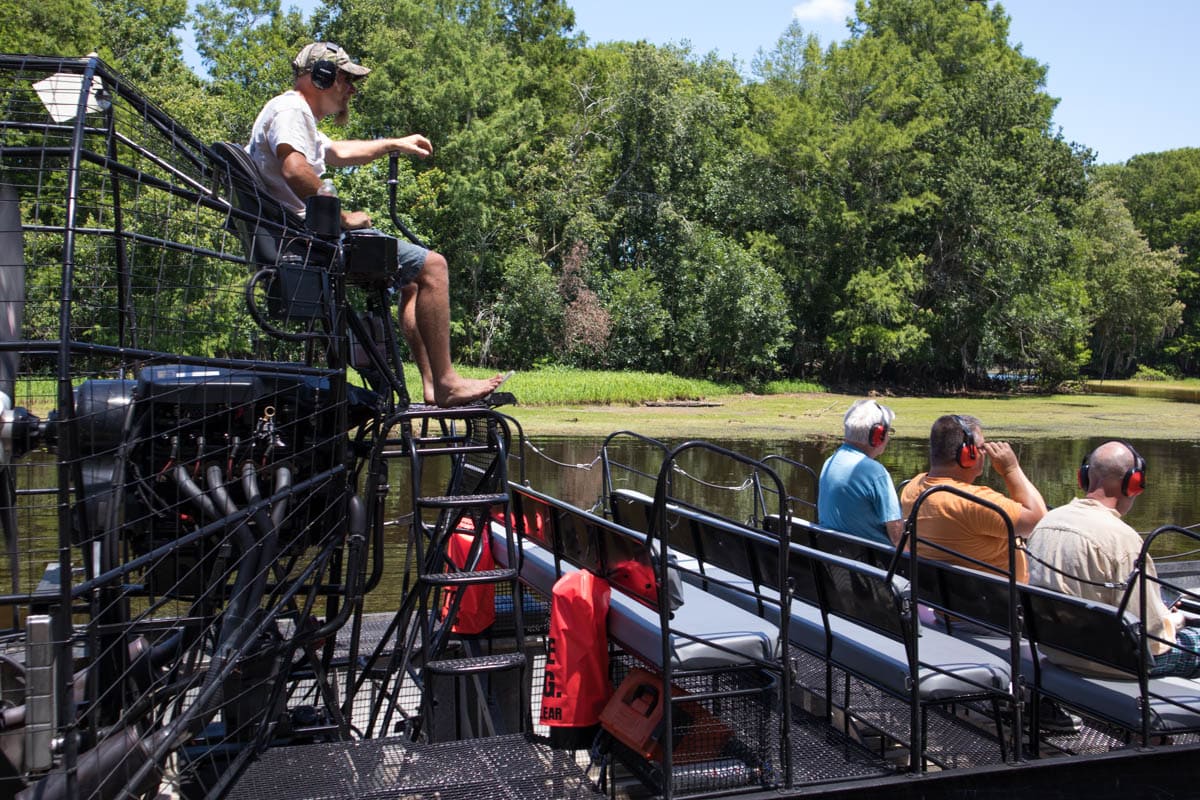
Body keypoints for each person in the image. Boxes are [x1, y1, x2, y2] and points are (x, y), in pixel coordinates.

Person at [247, 42, 506, 408]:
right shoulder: (292, 110)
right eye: (345, 78)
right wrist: (339, 218)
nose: (351, 89)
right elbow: (294, 168)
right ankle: (447, 383)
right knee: (434, 266)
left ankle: (432, 386)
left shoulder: (291, 113)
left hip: (303, 240)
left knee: (414, 285)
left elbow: (337, 152)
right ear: (321, 76)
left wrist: (392, 144)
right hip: (312, 243)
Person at [1027, 441, 1200, 679]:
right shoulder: (1123, 539)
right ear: (1134, 484)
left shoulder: (1046, 522)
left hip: (1058, 650)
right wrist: (1175, 621)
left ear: (1083, 476)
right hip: (1114, 661)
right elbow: (1151, 637)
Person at [899, 414, 1047, 583]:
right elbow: (1039, 522)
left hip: (947, 601)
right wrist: (1011, 469)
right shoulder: (971, 503)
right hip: (996, 604)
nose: (984, 453)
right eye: (982, 447)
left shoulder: (912, 488)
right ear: (967, 454)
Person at [817, 399, 903, 547]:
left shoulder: (830, 462)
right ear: (878, 435)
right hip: (873, 563)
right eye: (889, 432)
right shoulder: (876, 472)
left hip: (835, 557)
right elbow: (896, 534)